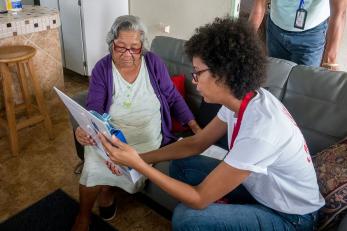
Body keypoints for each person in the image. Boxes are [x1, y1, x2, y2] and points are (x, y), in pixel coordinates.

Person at [100, 17, 325, 230]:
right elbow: (196, 143)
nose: (193, 80)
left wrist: (139, 167)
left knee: (187, 218)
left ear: (223, 74)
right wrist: (139, 158)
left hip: (291, 217)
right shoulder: (241, 99)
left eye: (197, 72)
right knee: (181, 165)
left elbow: (198, 199)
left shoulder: (261, 129)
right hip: (260, 188)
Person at [72, 15, 201, 231]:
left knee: (130, 176)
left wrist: (195, 128)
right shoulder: (102, 69)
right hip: (111, 138)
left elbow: (172, 96)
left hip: (147, 139)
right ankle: (83, 216)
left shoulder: (153, 63)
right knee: (92, 164)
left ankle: (107, 191)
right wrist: (82, 129)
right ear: (111, 43)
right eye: (120, 47)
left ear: (143, 46)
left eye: (134, 48)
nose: (127, 54)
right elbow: (94, 108)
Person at [248, 0, 347, 70]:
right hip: (275, 29)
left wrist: (330, 59)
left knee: (303, 84)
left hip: (311, 35)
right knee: (276, 78)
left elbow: (339, 12)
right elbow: (259, 4)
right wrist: (246, 42)